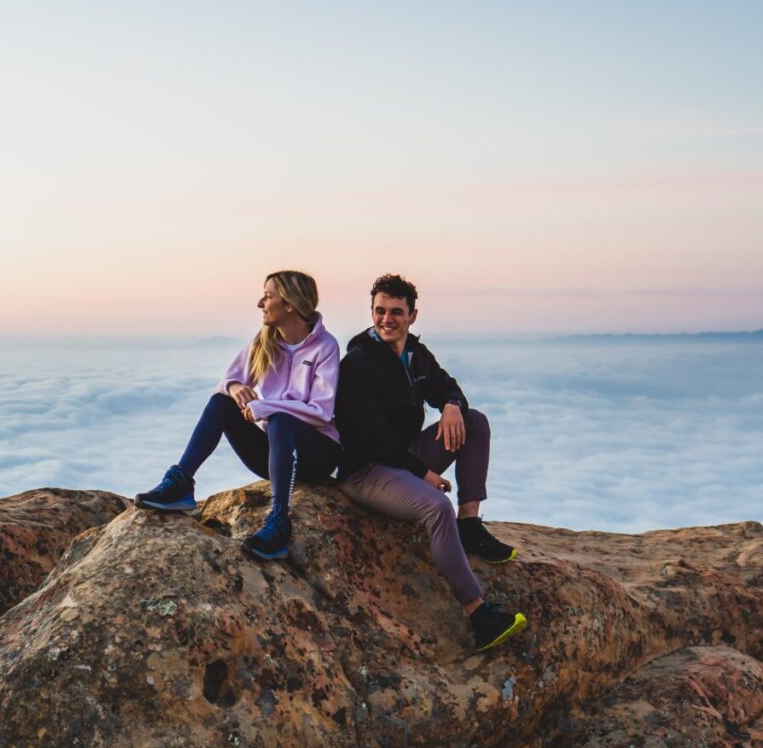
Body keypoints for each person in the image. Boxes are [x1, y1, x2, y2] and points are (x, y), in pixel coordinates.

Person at [334, 273, 527, 652]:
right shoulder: (358, 361)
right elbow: (371, 438)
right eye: (379, 311)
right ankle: (478, 614)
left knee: (474, 423)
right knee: (438, 508)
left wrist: (452, 405)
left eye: (396, 312)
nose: (386, 319)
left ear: (413, 315)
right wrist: (421, 472)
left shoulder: (415, 355)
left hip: (405, 454)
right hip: (367, 469)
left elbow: (446, 385)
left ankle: (469, 525)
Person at [135, 271, 341, 560]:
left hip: (317, 453)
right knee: (221, 403)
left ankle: (279, 520)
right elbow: (226, 382)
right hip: (276, 453)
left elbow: (321, 412)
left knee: (280, 420)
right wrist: (235, 388)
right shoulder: (265, 339)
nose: (260, 303)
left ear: (291, 305)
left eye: (268, 296)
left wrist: (268, 408)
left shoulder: (325, 346)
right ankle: (182, 481)